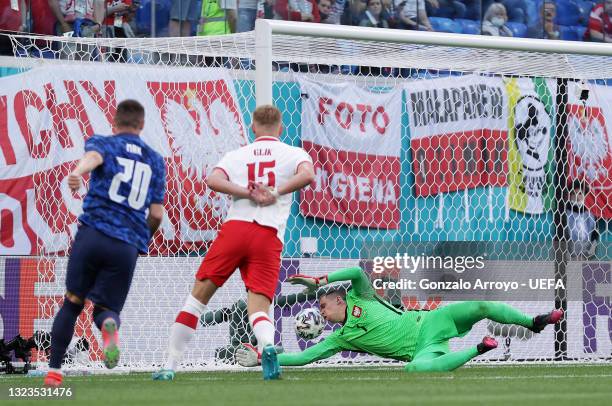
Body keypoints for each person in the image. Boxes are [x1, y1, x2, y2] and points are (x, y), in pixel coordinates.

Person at [153, 105, 315, 381]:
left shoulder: (236, 155)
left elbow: (212, 179)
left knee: (197, 300)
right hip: (268, 235)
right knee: (259, 308)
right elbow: (308, 175)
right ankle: (267, 348)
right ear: (281, 127)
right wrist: (274, 191)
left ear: (253, 127)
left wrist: (245, 192)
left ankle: (169, 366)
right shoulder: (294, 153)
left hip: (236, 229)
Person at [43, 100, 167, 387]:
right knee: (106, 310)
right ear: (142, 125)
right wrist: (139, 240)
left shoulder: (104, 143)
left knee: (73, 302)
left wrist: (78, 171)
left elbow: (94, 158)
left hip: (94, 234)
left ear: (114, 122)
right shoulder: (155, 160)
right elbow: (157, 214)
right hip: (125, 246)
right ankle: (108, 328)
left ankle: (54, 372)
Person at [236, 267, 564, 371]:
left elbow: (356, 272)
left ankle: (532, 322)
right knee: (415, 369)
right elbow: (304, 357)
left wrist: (317, 282)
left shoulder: (360, 295)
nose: (320, 314)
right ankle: (479, 349)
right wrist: (268, 355)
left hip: (430, 321)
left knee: (479, 305)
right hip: (422, 349)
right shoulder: (341, 337)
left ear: (338, 299)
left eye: (322, 307)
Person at [566, 180, 598, 259]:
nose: (577, 197)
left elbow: (595, 238)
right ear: (570, 195)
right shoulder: (564, 214)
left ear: (584, 195)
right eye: (574, 193)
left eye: (580, 193)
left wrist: (588, 255)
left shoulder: (591, 216)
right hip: (569, 256)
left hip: (585, 257)